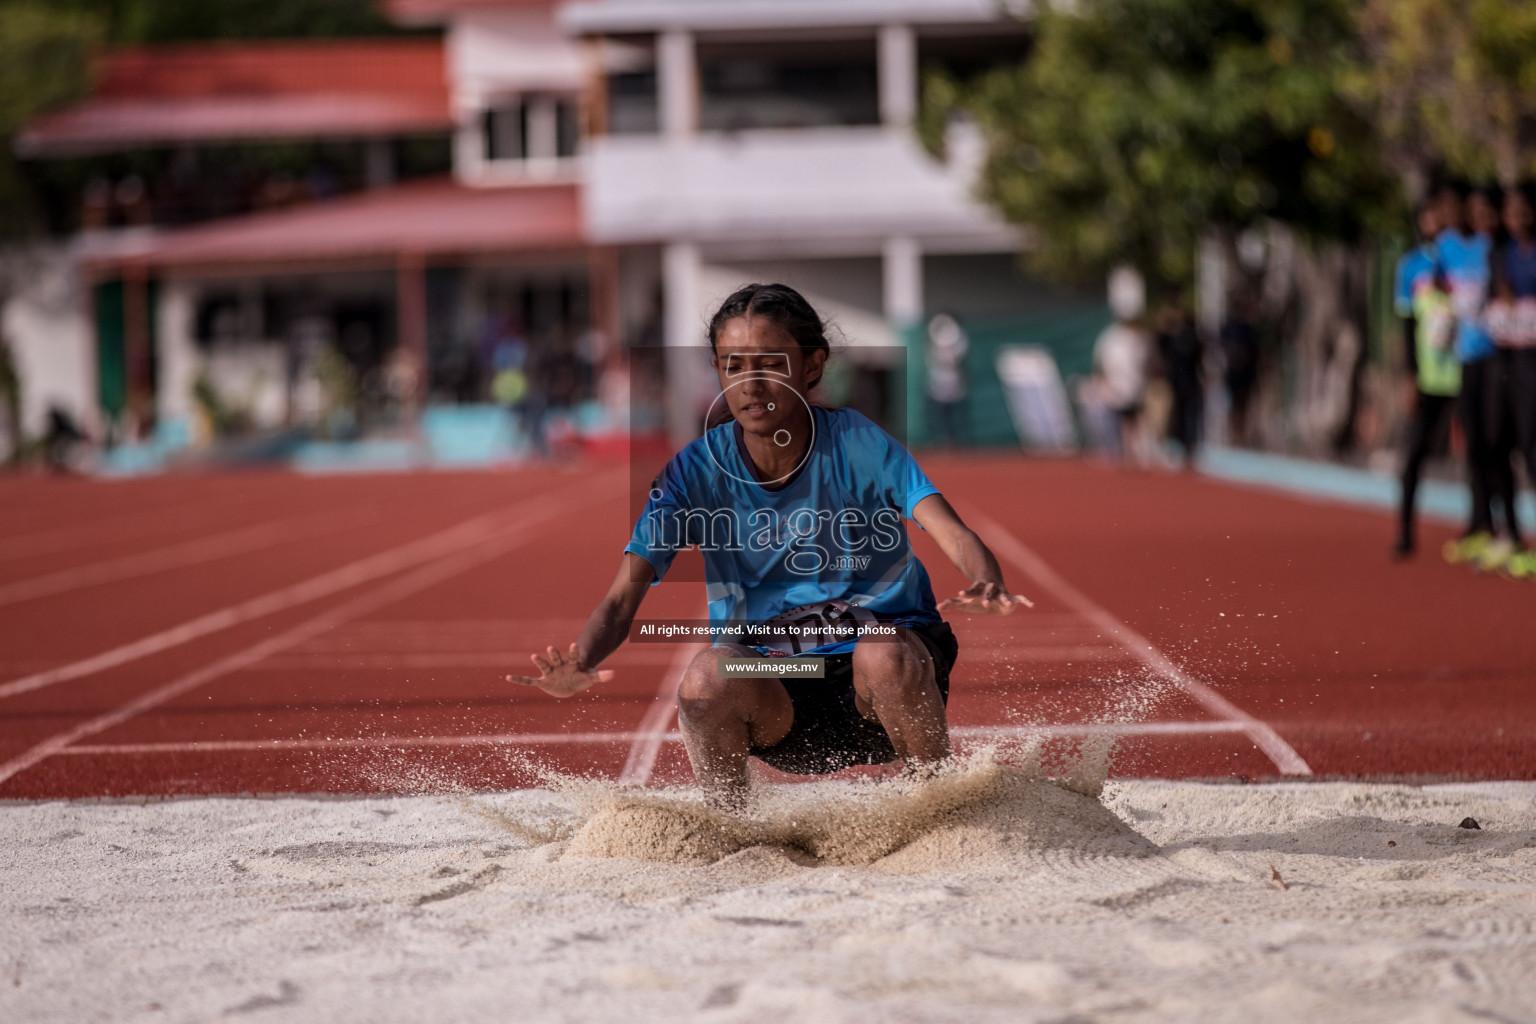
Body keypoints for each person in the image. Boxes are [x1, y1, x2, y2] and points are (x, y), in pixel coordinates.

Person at [505, 283, 1032, 810]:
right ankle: (733, 828)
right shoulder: (692, 474)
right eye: (734, 366)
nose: (752, 384)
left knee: (884, 652)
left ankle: (946, 811)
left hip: (885, 675)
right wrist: (583, 660)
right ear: (718, 371)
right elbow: (623, 597)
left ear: (811, 366)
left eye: (771, 364)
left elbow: (948, 528)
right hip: (781, 684)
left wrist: (985, 576)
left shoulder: (856, 442)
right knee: (708, 675)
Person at [1438, 185, 1523, 567]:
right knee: (1479, 445)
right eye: (1477, 214)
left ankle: (1509, 532)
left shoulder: (1501, 253)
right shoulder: (1454, 248)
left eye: (1489, 213)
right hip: (1470, 358)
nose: (1482, 221)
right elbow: (1444, 293)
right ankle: (1486, 526)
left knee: (1501, 442)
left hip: (1503, 360)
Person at [1393, 199, 1459, 559]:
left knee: (1484, 450)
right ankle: (1405, 531)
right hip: (1430, 375)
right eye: (1429, 217)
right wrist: (1410, 376)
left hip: (1466, 369)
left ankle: (1484, 530)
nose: (1435, 223)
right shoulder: (1411, 264)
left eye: (1441, 215)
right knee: (1414, 453)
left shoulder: (1467, 256)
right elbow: (1407, 325)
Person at [1487, 185, 1536, 578]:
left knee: (1532, 451)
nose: (1516, 220)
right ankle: (1512, 535)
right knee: (1507, 445)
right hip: (1511, 363)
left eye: (1523, 212)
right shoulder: (1503, 257)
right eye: (1511, 213)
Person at [1092, 314, 1151, 465]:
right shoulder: (1112, 339)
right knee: (1120, 420)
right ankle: (1122, 451)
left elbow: (1144, 362)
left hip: (1134, 386)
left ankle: (1136, 451)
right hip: (1118, 386)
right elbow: (1102, 361)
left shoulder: (1139, 339)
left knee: (1134, 419)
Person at [1155, 300, 1203, 468]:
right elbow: (1159, 336)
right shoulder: (1168, 338)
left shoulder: (1192, 336)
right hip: (1173, 382)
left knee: (1192, 415)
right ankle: (1174, 446)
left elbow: (1200, 358)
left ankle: (1191, 447)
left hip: (1190, 382)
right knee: (1174, 416)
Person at [924, 313, 969, 446]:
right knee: (938, 413)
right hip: (938, 383)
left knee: (957, 414)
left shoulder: (958, 340)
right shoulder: (933, 342)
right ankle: (941, 439)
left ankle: (958, 440)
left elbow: (958, 356)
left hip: (955, 383)